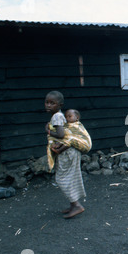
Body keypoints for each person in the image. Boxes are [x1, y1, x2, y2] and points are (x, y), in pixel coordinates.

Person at [45, 91, 86, 219]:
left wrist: (48, 131)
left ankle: (77, 205)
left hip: (67, 153)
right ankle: (73, 205)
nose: (48, 105)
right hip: (70, 151)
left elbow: (61, 135)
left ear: (60, 105)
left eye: (52, 103)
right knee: (70, 177)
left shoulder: (57, 117)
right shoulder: (58, 116)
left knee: (62, 179)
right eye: (47, 102)